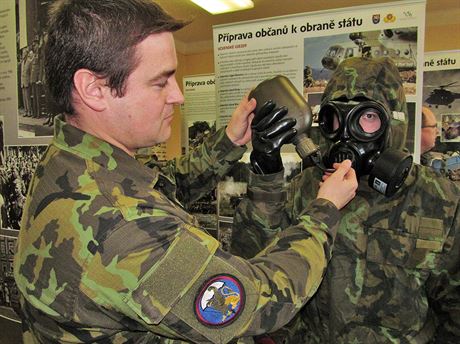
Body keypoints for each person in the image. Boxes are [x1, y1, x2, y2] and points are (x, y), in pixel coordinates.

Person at [13, 1, 358, 343]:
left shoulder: (72, 159)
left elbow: (159, 186)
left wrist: (228, 142)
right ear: (94, 88)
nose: (178, 95)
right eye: (160, 82)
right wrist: (323, 212)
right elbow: (260, 303)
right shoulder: (128, 229)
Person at [232, 57, 460, 343]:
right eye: (335, 117)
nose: (346, 132)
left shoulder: (440, 200)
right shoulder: (305, 189)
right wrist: (266, 177)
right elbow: (255, 268)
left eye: (367, 117)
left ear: (393, 123)